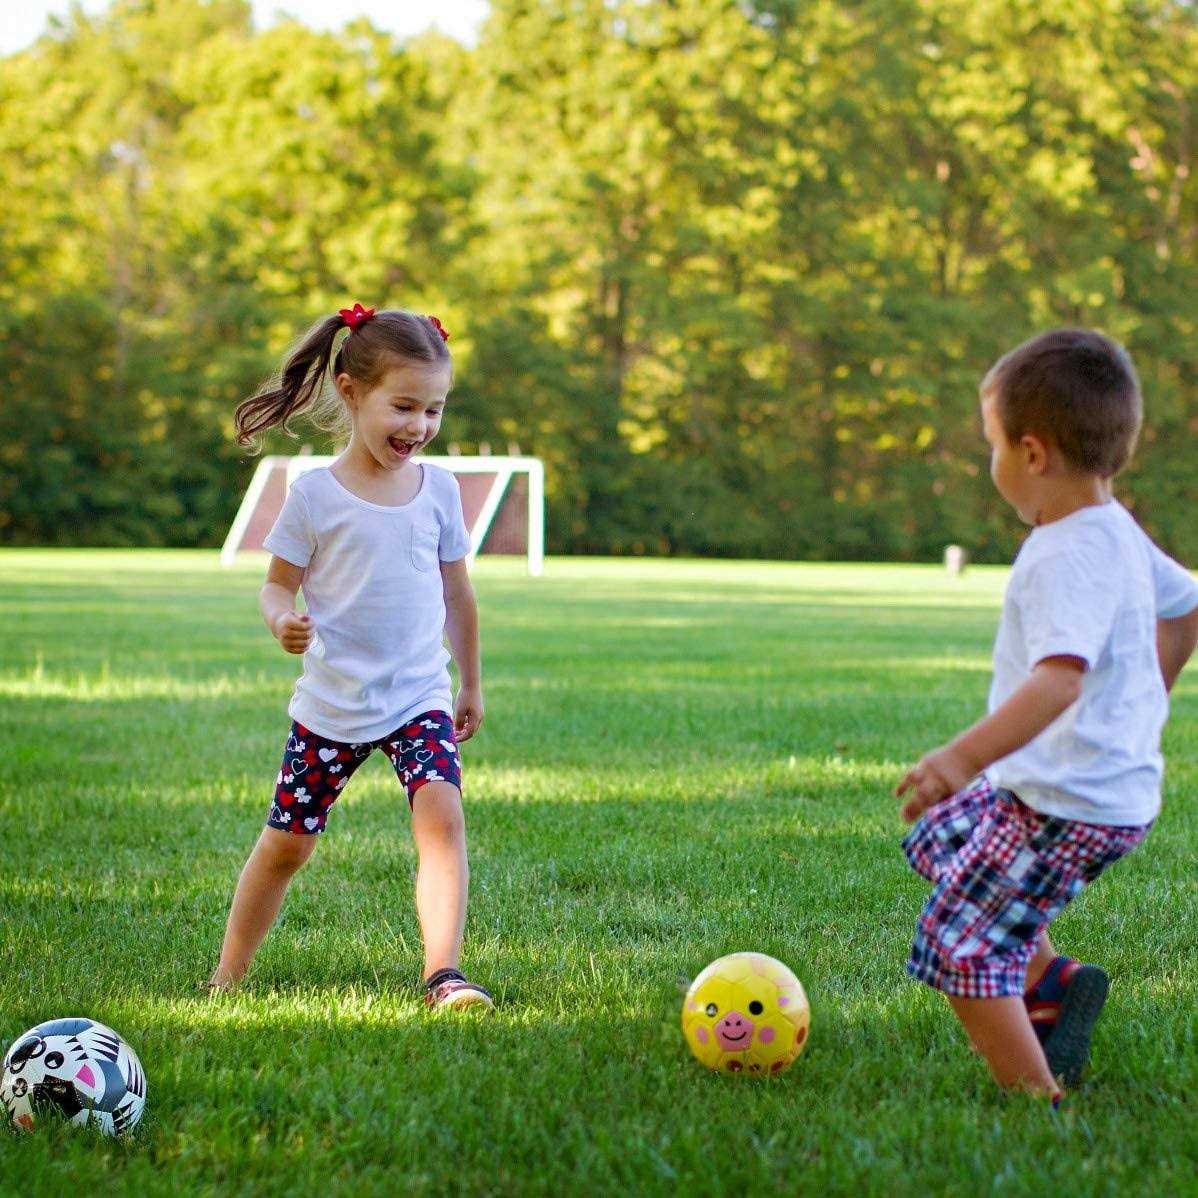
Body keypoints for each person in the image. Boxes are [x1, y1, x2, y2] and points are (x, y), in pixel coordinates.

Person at [897, 328, 1198, 1101]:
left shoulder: (1068, 551)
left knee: (960, 945)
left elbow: (1058, 682)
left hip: (1067, 804)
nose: (990, 462)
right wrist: (1146, 701)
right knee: (944, 841)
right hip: (1079, 787)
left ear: (1032, 454)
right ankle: (1052, 981)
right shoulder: (1115, 528)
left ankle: (1037, 1099)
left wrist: (957, 759)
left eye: (991, 445)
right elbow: (1188, 603)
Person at [208, 303, 492, 1009]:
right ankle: (225, 976)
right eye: (404, 406)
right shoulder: (314, 496)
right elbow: (275, 587)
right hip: (332, 705)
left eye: (434, 410)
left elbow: (459, 595)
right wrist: (283, 623)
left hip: (417, 697)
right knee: (287, 847)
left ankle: (444, 974)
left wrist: (470, 683)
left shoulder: (440, 492)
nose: (419, 427)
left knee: (441, 814)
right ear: (349, 388)